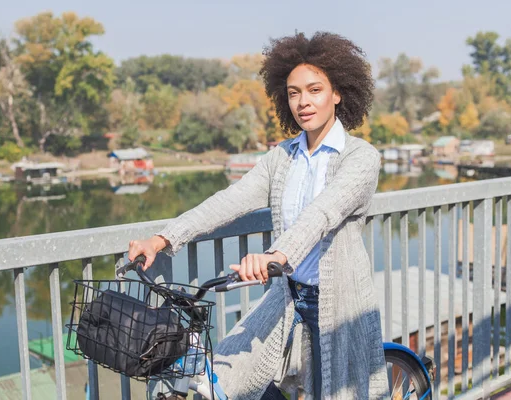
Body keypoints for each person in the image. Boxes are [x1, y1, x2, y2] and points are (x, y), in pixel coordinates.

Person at [128, 31, 388, 399]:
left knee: (338, 391)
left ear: (338, 93)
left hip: (339, 301)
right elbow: (229, 200)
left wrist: (277, 255)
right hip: (286, 295)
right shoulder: (282, 157)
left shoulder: (360, 157)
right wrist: (164, 238)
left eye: (314, 90)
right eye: (294, 93)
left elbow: (323, 213)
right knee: (221, 381)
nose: (303, 102)